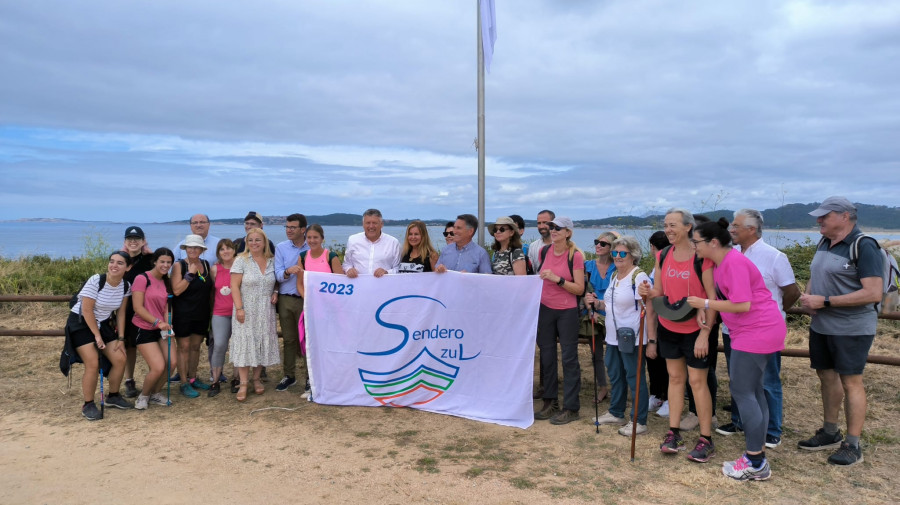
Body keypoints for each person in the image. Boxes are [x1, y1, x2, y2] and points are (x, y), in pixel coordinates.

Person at [686, 218, 787, 481]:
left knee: (744, 392)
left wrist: (704, 302)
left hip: (757, 331)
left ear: (713, 242)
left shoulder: (734, 263)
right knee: (755, 392)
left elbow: (742, 304)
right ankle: (758, 456)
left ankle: (755, 461)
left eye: (696, 242)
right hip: (754, 331)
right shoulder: (718, 261)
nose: (693, 246)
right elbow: (706, 275)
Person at [798, 197, 883, 466]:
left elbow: (872, 293)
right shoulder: (825, 241)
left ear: (845, 217)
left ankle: (853, 444)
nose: (818, 220)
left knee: (851, 381)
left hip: (852, 328)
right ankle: (830, 432)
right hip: (822, 325)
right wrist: (810, 295)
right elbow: (817, 271)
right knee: (826, 376)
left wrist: (824, 301)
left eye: (824, 216)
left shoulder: (864, 245)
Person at [638, 208, 718, 463]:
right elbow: (659, 291)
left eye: (673, 225)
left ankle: (706, 438)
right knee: (674, 378)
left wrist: (705, 335)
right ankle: (673, 433)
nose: (668, 230)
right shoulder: (662, 255)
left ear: (687, 227)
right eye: (666, 225)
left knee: (697, 382)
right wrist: (646, 291)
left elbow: (711, 299)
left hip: (696, 330)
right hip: (669, 326)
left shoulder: (701, 256)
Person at [717, 209, 800, 450]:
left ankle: (772, 429)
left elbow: (792, 291)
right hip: (733, 328)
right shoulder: (729, 255)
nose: (731, 229)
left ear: (751, 230)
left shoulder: (774, 256)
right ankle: (740, 421)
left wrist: (775, 312)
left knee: (767, 381)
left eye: (736, 226)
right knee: (738, 379)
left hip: (761, 332)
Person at [593, 236, 652, 436]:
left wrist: (651, 340)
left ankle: (639, 420)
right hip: (613, 336)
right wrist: (596, 303)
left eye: (622, 253)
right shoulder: (614, 276)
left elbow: (648, 309)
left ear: (633, 255)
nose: (617, 256)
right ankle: (616, 412)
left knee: (634, 378)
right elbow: (610, 306)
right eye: (615, 253)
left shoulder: (639, 276)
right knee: (616, 375)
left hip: (632, 337)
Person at [66, 251, 135, 419]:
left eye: (120, 263)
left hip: (103, 324)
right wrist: (97, 336)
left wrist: (121, 338)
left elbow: (120, 314)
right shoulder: (96, 280)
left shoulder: (126, 286)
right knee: (93, 363)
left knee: (120, 358)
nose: (114, 265)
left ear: (128, 267)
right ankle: (88, 404)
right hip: (81, 323)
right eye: (112, 261)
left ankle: (113, 396)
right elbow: (87, 310)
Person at [534, 217, 585, 425]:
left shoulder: (576, 256)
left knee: (569, 358)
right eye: (551, 226)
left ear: (568, 233)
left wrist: (559, 279)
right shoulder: (544, 251)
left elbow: (579, 289)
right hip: (545, 308)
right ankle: (550, 402)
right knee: (546, 357)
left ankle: (571, 407)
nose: (552, 230)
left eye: (557, 228)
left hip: (567, 311)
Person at [230, 228, 280, 401]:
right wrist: (239, 308)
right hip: (246, 308)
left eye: (258, 240)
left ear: (264, 242)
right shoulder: (240, 260)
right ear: (246, 242)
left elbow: (276, 280)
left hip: (265, 309)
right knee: (245, 343)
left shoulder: (272, 260)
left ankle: (257, 379)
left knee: (260, 343)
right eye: (250, 240)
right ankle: (243, 383)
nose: (254, 243)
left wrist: (275, 291)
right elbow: (234, 286)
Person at [130, 248, 176, 410]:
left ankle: (155, 393)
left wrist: (166, 323)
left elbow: (166, 306)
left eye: (169, 262)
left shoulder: (166, 281)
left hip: (161, 327)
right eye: (162, 261)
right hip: (144, 328)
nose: (165, 265)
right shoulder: (142, 278)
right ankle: (144, 396)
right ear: (155, 261)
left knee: (172, 362)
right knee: (158, 367)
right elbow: (138, 308)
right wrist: (158, 322)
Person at [171, 234, 214, 398]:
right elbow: (176, 290)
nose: (193, 250)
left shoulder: (206, 264)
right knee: (184, 348)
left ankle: (192, 378)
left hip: (201, 313)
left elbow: (209, 289)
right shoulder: (179, 266)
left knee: (196, 347)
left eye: (197, 247)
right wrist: (189, 274)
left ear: (202, 250)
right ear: (185, 249)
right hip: (183, 314)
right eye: (190, 247)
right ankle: (183, 382)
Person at [273, 213, 309, 393]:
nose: (289, 230)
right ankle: (289, 375)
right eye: (287, 227)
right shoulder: (281, 248)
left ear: (303, 229)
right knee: (289, 339)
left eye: (293, 227)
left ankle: (311, 377)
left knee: (308, 340)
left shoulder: (313, 245)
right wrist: (288, 271)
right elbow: (277, 273)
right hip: (286, 299)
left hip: (306, 300)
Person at [582, 231, 618, 404]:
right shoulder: (587, 266)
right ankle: (603, 387)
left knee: (615, 354)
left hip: (614, 314)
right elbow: (583, 292)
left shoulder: (618, 266)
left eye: (603, 243)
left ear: (612, 248)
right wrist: (591, 312)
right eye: (597, 242)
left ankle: (619, 387)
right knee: (596, 354)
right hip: (593, 314)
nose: (598, 245)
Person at [120, 226, 155, 399]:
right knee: (129, 346)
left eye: (137, 239)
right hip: (124, 310)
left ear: (143, 241)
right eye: (130, 239)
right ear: (125, 242)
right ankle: (129, 380)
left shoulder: (150, 259)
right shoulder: (120, 259)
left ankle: (154, 378)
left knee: (149, 344)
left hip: (146, 309)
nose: (133, 242)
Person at [645, 230, 671, 416]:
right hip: (653, 317)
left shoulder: (665, 264)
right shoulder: (657, 265)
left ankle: (669, 398)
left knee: (666, 360)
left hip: (667, 317)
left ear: (653, 247)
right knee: (653, 357)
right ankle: (656, 395)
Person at [209, 239, 237, 397]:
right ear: (218, 252)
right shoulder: (215, 269)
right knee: (219, 345)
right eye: (222, 249)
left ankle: (236, 378)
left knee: (238, 346)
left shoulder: (240, 266)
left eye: (228, 248)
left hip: (238, 312)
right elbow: (214, 290)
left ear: (234, 250)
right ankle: (215, 380)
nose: (225, 251)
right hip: (219, 312)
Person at [343, 209, 401, 278]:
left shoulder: (393, 243)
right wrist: (349, 269)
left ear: (381, 224)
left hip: (385, 287)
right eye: (368, 223)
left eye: (374, 223)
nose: (371, 226)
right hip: (358, 286)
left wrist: (387, 272)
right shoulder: (353, 240)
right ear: (363, 224)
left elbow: (398, 269)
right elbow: (346, 264)